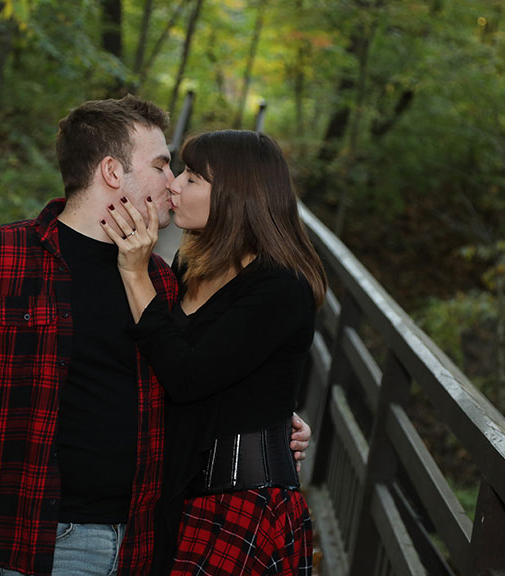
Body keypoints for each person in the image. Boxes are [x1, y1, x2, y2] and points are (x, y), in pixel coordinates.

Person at [0, 96, 311, 576]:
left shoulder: (161, 280)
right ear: (113, 173)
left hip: (151, 539)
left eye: (182, 172)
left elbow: (190, 372)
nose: (173, 184)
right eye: (163, 166)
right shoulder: (1, 258)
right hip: (48, 540)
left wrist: (265, 423)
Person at [101, 130, 327, 575]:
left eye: (193, 177)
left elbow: (188, 375)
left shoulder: (281, 286)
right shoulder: (191, 263)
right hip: (181, 491)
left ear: (235, 196)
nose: (174, 185)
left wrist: (135, 274)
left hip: (242, 503)